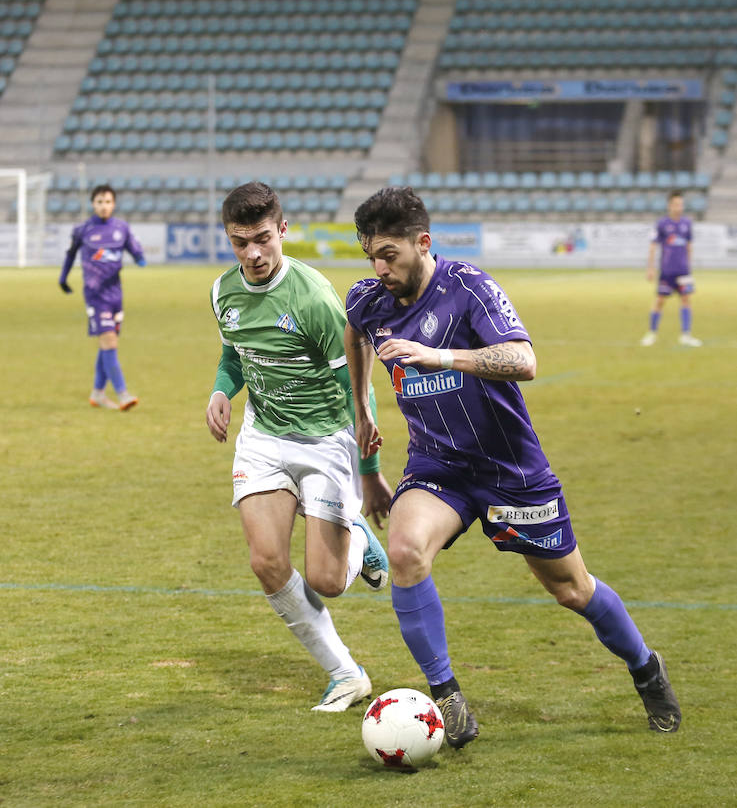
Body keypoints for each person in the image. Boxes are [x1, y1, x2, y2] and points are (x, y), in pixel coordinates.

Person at [344, 186, 681, 748]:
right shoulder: (370, 298)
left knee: (572, 590)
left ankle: (646, 668)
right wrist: (361, 411)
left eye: (389, 255)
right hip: (438, 465)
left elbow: (523, 360)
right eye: (370, 257)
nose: (379, 269)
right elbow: (355, 335)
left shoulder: (468, 288)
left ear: (422, 243)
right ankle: (447, 697)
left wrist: (442, 356)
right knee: (404, 550)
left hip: (510, 471)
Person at [205, 181, 392, 712]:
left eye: (263, 239)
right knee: (266, 561)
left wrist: (370, 471)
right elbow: (235, 357)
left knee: (327, 581)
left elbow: (359, 388)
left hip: (325, 440)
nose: (253, 253)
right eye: (240, 242)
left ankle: (355, 533)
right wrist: (221, 390)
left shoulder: (314, 299)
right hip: (262, 438)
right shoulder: (223, 292)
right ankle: (346, 674)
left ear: (283, 230)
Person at [58, 184, 145, 410]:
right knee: (109, 342)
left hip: (116, 293)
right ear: (93, 204)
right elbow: (69, 256)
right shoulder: (82, 230)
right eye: (99, 202)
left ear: (113, 204)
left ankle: (97, 393)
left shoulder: (121, 228)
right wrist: (63, 278)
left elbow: (134, 248)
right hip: (95, 295)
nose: (104, 206)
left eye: (107, 202)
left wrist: (139, 257)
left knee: (108, 344)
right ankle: (123, 394)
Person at [641, 190, 701, 347]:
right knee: (660, 300)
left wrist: (689, 266)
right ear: (669, 206)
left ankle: (686, 335)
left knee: (686, 300)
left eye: (681, 204)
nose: (678, 207)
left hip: (683, 270)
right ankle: (651, 333)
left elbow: (689, 246)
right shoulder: (662, 224)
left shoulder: (687, 224)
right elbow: (653, 246)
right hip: (667, 271)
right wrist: (651, 268)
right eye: (675, 204)